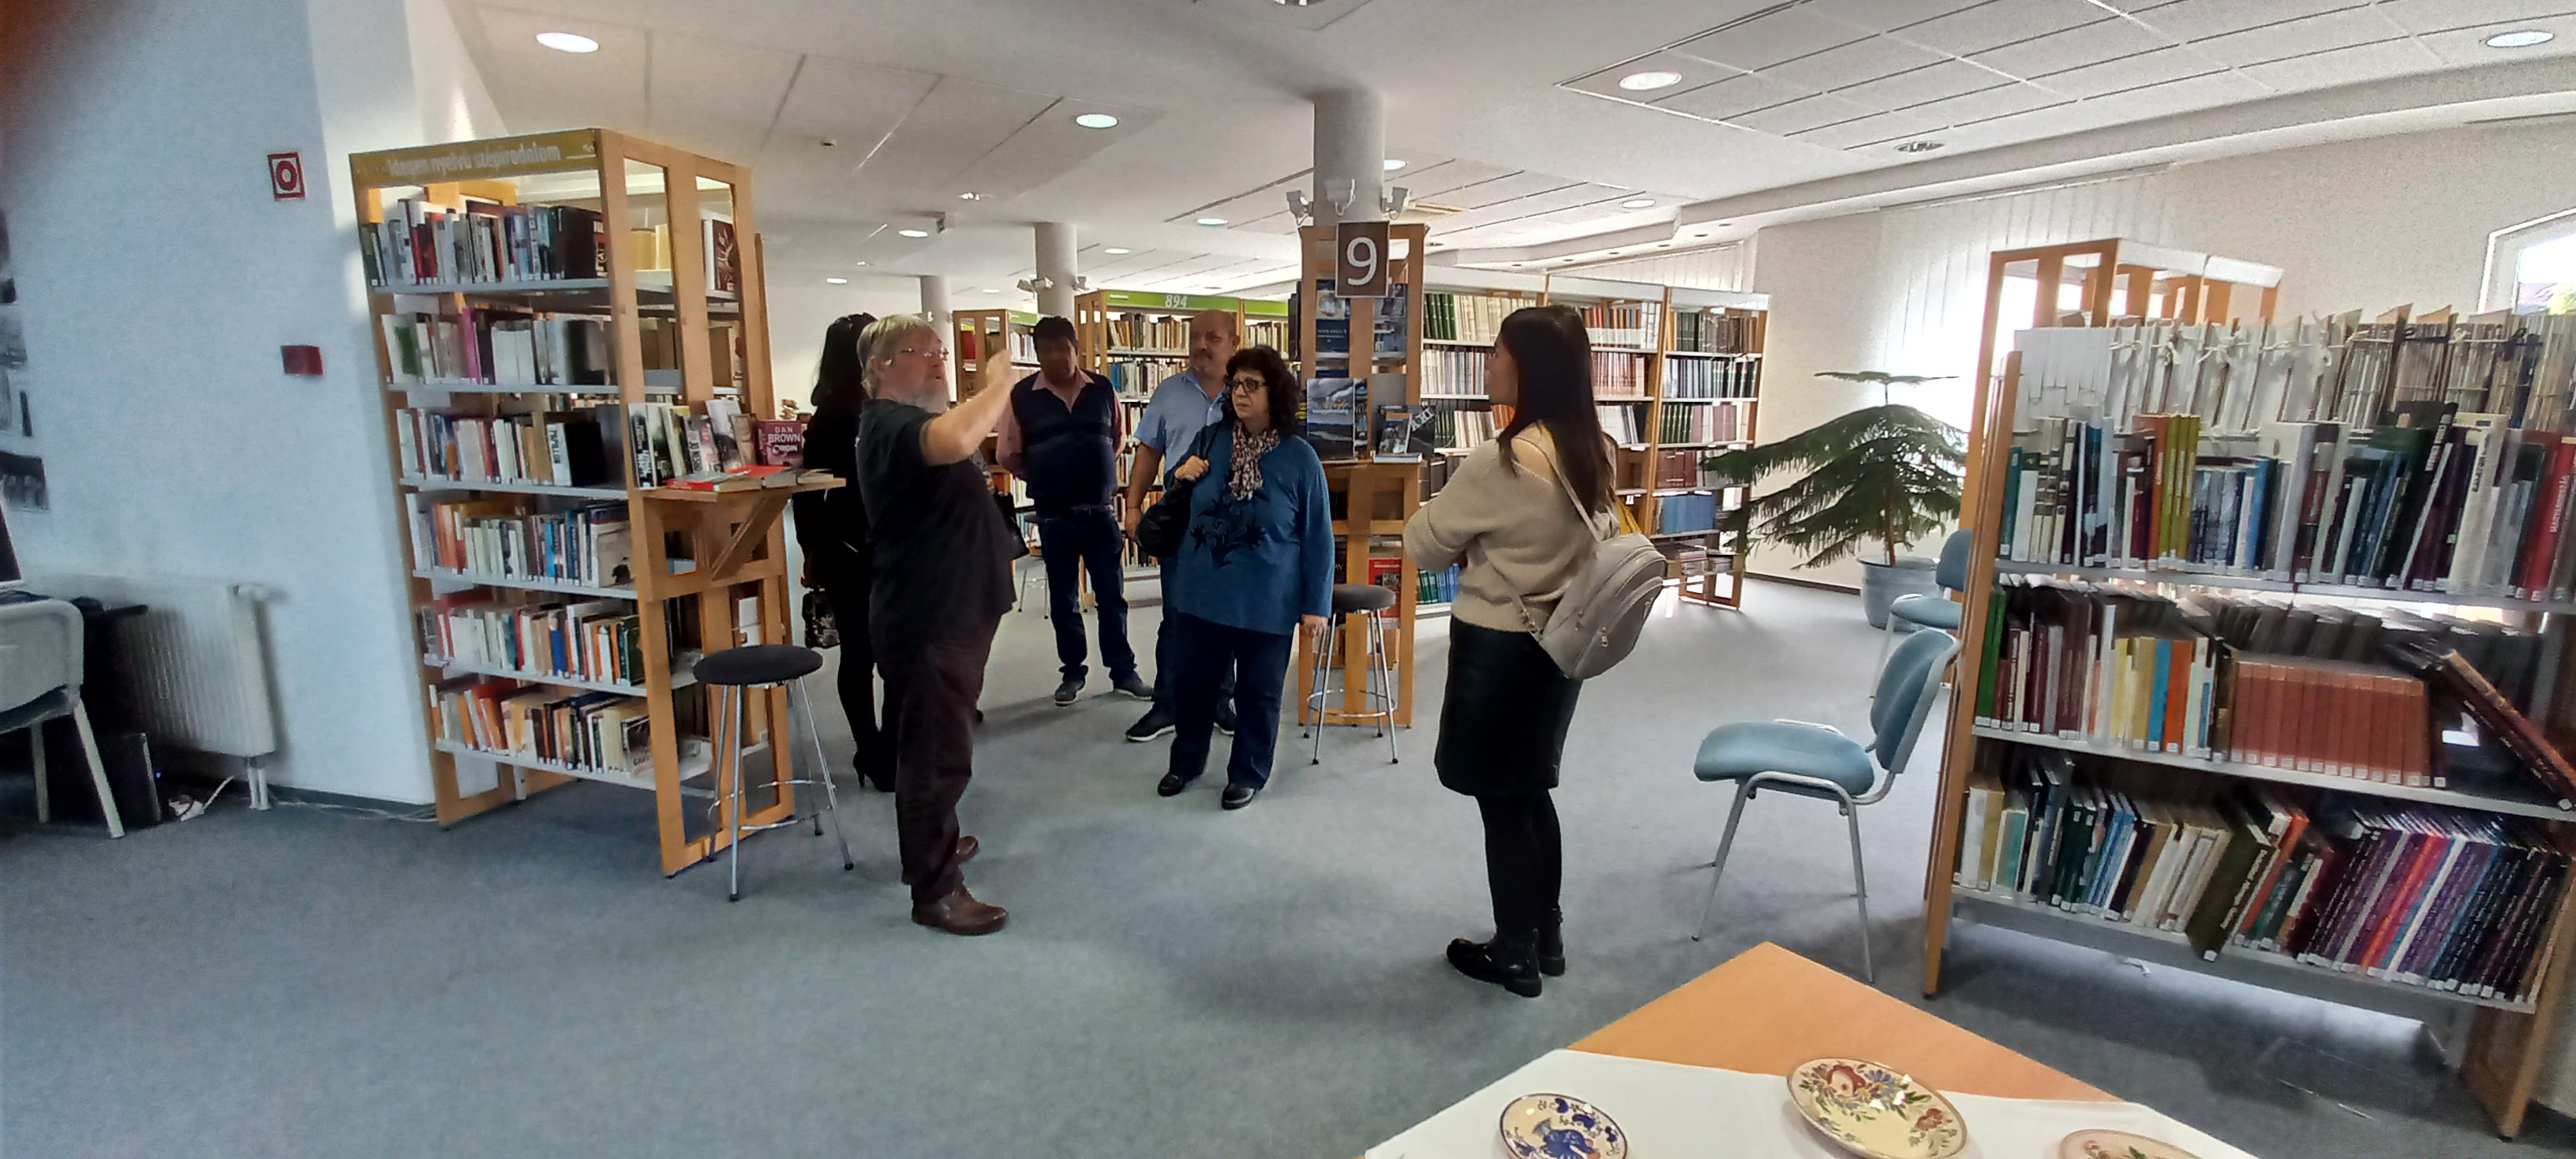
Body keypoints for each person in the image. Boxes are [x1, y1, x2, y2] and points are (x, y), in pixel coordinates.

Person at [1402, 306, 1611, 998]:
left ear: (1527, 367)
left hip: (1499, 648)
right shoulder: (1593, 449)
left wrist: (1448, 520)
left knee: (1500, 801)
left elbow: (1424, 545)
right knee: (1530, 790)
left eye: (1497, 352)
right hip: (1560, 645)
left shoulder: (1501, 460)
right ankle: (1545, 933)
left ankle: (1514, 951)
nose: (1489, 363)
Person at [852, 313, 1018, 936]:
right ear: (879, 367)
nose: (936, 359)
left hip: (950, 608)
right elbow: (956, 439)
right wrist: (999, 382)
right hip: (930, 615)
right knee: (936, 755)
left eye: (940, 351)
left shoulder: (910, 421)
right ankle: (936, 891)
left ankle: (931, 846)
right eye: (917, 351)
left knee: (933, 743)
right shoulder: (890, 423)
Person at [1153, 346, 1331, 810]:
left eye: (1253, 384)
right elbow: (1178, 492)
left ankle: (1248, 772)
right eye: (1236, 384)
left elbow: (1318, 535)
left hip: (1267, 600)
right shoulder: (1210, 439)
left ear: (1276, 393)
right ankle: (1186, 763)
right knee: (1193, 688)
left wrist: (1316, 604)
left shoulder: (1300, 458)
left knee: (1259, 694)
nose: (1241, 393)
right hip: (1203, 593)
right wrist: (1180, 474)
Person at [998, 316, 1149, 707]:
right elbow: (1008, 454)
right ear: (1036, 354)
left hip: (1100, 513)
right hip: (1055, 516)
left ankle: (1123, 672)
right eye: (1046, 350)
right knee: (1064, 600)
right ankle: (1072, 673)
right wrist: (1046, 474)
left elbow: (1115, 440)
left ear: (1076, 350)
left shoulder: (1102, 389)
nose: (1055, 357)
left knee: (1112, 596)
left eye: (1062, 348)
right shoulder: (1021, 396)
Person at [1122, 309, 1241, 743]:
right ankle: (1167, 705)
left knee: (1225, 616)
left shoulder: (1246, 392)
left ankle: (1220, 702)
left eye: (1213, 337)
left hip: (1231, 523)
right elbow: (1149, 451)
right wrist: (1133, 504)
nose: (1201, 345)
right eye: (1195, 337)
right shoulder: (1169, 392)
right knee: (1176, 616)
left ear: (1234, 342)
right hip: (1183, 520)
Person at [791, 313, 893, 793]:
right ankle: (869, 748)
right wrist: (812, 551)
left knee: (893, 652)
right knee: (860, 651)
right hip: (850, 549)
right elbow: (809, 493)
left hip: (889, 545)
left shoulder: (886, 405)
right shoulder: (833, 416)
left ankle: (889, 744)